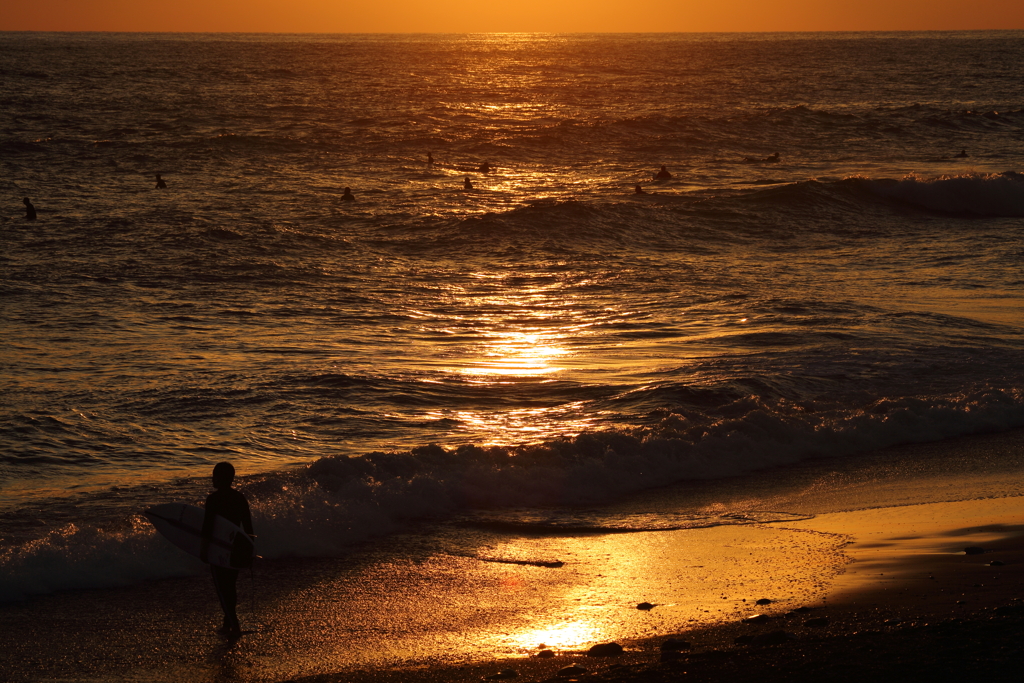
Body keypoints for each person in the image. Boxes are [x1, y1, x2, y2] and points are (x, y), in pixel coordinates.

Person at [201, 462, 253, 638]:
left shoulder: (213, 500)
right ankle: (227, 623)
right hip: (236, 550)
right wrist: (249, 552)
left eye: (214, 475)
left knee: (223, 589)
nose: (212, 478)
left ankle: (234, 625)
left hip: (219, 550)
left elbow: (207, 528)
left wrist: (204, 550)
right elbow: (249, 530)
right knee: (230, 587)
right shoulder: (240, 498)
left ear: (221, 478)